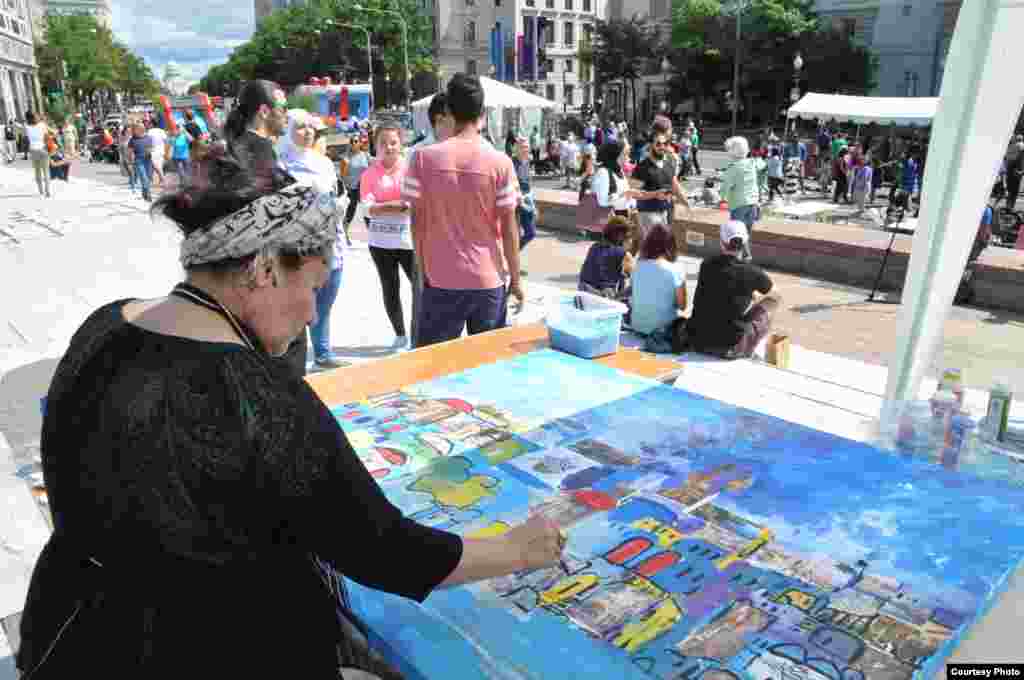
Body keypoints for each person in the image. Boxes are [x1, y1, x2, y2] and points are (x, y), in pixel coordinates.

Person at [15, 159, 564, 680]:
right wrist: (519, 549)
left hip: (69, 631)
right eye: (312, 287)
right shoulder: (260, 395)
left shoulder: (106, 324)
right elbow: (387, 551)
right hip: (207, 655)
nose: (311, 313)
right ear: (264, 268)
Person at [402, 73, 524, 348]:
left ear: (448, 111)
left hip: (440, 280)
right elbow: (509, 228)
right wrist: (515, 279)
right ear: (482, 113)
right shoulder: (500, 162)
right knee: (489, 368)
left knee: (432, 370)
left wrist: (424, 272)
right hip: (488, 279)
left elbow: (417, 223)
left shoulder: (421, 159)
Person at [223, 80, 308, 378]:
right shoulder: (254, 156)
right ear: (263, 112)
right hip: (267, 286)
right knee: (283, 379)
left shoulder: (244, 150)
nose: (287, 115)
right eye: (282, 109)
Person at [280, 110, 350, 369]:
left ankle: (322, 354)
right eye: (300, 127)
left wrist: (340, 205)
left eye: (311, 127)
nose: (307, 131)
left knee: (325, 302)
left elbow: (336, 194)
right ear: (288, 131)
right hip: (300, 247)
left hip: (332, 240)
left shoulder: (324, 163)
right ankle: (292, 360)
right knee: (299, 305)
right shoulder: (282, 164)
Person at [687, 220, 781, 359]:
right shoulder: (752, 272)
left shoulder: (706, 264)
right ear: (744, 244)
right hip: (729, 347)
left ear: (721, 242)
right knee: (771, 303)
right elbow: (776, 294)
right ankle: (748, 346)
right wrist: (754, 298)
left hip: (698, 341)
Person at [362, 124, 415, 349]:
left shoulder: (410, 170)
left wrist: (382, 206)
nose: (389, 147)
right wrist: (397, 205)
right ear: (376, 146)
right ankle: (400, 334)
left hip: (409, 241)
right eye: (383, 143)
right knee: (390, 287)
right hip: (380, 243)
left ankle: (419, 330)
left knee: (420, 287)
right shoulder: (369, 174)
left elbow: (413, 205)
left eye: (393, 142)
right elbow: (367, 209)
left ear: (401, 144)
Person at [629, 224, 687, 341]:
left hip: (638, 328)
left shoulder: (637, 266)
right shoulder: (676, 269)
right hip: (663, 331)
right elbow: (682, 306)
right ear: (671, 244)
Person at [630, 123, 688, 239]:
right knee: (655, 248)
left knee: (661, 247)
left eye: (665, 143)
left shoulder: (668, 164)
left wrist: (687, 204)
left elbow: (675, 186)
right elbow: (634, 193)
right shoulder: (641, 167)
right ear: (651, 145)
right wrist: (655, 194)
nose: (662, 147)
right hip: (648, 213)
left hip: (665, 212)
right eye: (658, 144)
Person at [719, 136, 762, 257]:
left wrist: (722, 199)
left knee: (736, 237)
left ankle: (739, 260)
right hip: (753, 204)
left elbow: (725, 187)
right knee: (746, 235)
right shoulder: (752, 163)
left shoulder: (733, 167)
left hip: (739, 205)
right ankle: (747, 257)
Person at [578, 215, 634, 301]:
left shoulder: (594, 247)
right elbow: (637, 284)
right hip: (603, 299)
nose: (631, 240)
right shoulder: (624, 255)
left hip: (583, 295)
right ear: (621, 236)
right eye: (629, 236)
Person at [592, 140, 637, 218]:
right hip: (608, 221)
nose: (628, 158)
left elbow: (623, 196)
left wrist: (632, 201)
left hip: (621, 217)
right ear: (615, 155)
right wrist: (625, 195)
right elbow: (602, 202)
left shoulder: (619, 171)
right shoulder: (603, 172)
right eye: (626, 154)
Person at [341, 134, 370, 245]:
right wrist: (346, 187)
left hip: (364, 187)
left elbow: (373, 167)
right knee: (350, 212)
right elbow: (342, 176)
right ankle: (345, 233)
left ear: (360, 143)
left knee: (367, 210)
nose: (354, 143)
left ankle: (373, 235)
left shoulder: (365, 155)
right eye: (352, 141)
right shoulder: (346, 158)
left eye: (356, 141)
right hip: (352, 188)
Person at [513, 135, 536, 254]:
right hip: (515, 203)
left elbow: (528, 182)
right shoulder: (511, 163)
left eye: (527, 147)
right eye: (522, 147)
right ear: (516, 148)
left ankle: (514, 253)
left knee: (531, 233)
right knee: (514, 234)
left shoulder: (527, 162)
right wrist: (519, 196)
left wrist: (532, 200)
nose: (526, 149)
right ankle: (511, 258)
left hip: (527, 200)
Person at [126, 123, 154, 202]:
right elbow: (129, 152)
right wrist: (130, 161)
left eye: (134, 130)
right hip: (139, 161)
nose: (133, 132)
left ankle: (144, 191)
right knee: (144, 178)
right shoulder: (132, 140)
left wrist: (150, 150)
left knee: (148, 178)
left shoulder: (148, 138)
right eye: (133, 130)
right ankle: (148, 194)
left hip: (148, 160)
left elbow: (151, 148)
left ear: (140, 130)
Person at [25, 112, 51, 198]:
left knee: (37, 172)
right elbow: (47, 136)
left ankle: (41, 191)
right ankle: (48, 191)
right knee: (46, 171)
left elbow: (26, 137)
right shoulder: (42, 125)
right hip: (43, 149)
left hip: (33, 150)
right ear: (36, 118)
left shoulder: (27, 126)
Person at [146, 122, 168, 189]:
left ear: (152, 124)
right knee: (159, 166)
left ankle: (163, 180)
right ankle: (161, 180)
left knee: (156, 166)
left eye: (149, 124)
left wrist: (148, 149)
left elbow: (147, 142)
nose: (148, 125)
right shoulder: (162, 131)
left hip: (153, 150)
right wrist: (166, 150)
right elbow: (166, 141)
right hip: (161, 150)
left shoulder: (150, 131)